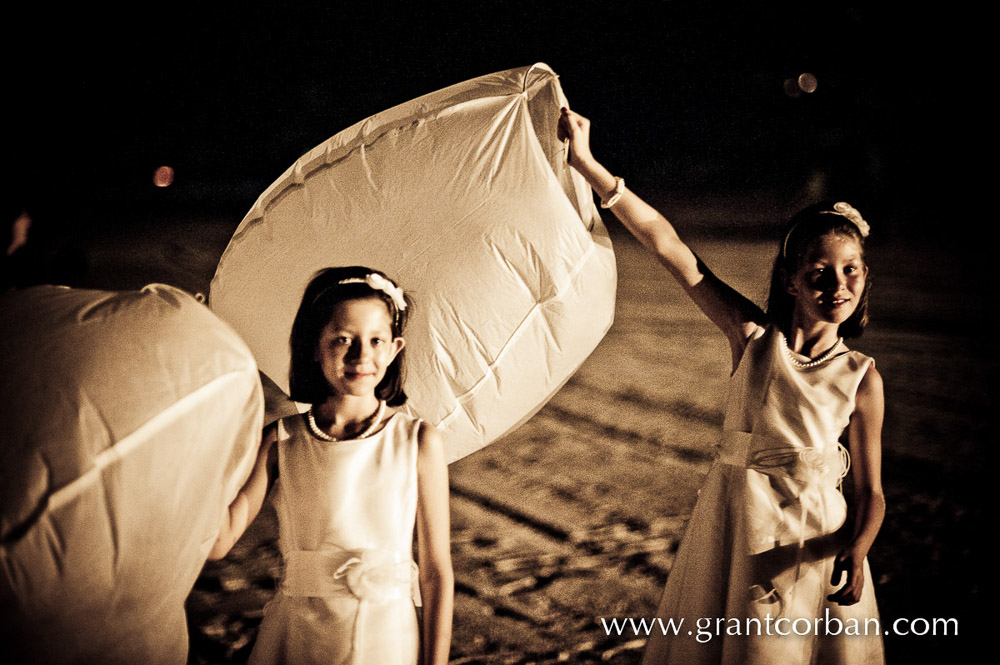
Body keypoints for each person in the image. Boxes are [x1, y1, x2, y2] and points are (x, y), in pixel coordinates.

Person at [558, 108, 885, 664]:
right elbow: (670, 247)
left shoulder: (862, 375)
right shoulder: (754, 338)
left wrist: (856, 550)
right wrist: (589, 166)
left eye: (851, 269)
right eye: (820, 270)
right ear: (789, 278)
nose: (838, 283)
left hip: (814, 540)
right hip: (740, 527)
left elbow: (871, 492)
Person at [208, 266, 453, 665]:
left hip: (388, 640)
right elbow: (218, 543)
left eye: (376, 340)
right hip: (299, 635)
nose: (361, 355)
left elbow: (435, 573)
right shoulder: (282, 439)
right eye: (343, 339)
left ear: (395, 348)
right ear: (313, 347)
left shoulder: (418, 441)